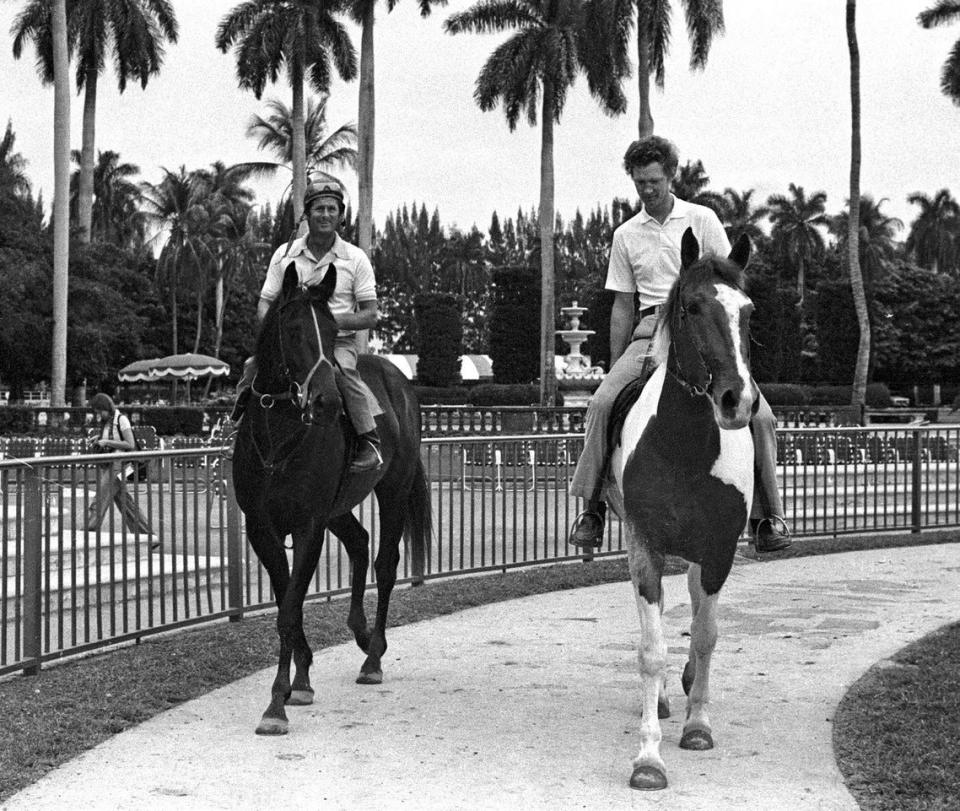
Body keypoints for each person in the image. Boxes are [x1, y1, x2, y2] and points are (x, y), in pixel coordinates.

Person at [568, 136, 792, 554]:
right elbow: (622, 304)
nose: (647, 189)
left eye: (654, 180)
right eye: (639, 183)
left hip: (700, 326)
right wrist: (617, 363)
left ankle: (767, 517)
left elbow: (726, 280)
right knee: (601, 403)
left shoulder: (703, 219)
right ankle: (592, 509)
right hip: (650, 326)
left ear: (671, 176)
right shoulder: (626, 234)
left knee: (761, 417)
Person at [227, 180, 384, 473]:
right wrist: (278, 327)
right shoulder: (284, 255)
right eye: (319, 209)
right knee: (252, 366)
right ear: (307, 215)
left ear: (340, 216)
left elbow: (370, 315)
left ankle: (369, 441)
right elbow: (265, 303)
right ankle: (236, 426)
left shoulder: (356, 258)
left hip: (335, 343)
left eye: (331, 209)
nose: (325, 214)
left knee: (344, 375)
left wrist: (320, 324)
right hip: (291, 341)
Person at [84, 392, 156, 545]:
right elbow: (113, 438)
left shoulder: (121, 420)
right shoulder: (109, 422)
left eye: (99, 411)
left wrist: (107, 442)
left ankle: (88, 532)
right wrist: (99, 439)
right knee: (126, 504)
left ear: (105, 408)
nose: (98, 415)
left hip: (120, 465)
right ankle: (148, 537)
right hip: (114, 464)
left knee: (101, 498)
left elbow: (129, 444)